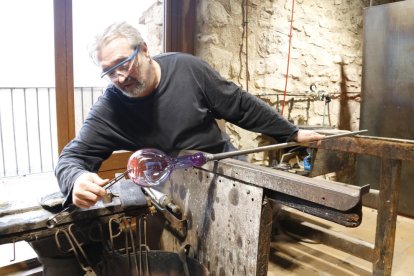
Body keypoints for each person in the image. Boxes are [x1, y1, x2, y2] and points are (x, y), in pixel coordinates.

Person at [36, 21, 325, 275]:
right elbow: (73, 156)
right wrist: (76, 178)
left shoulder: (188, 70)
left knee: (248, 240)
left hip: (221, 166)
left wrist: (292, 132)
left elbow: (239, 105)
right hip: (174, 186)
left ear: (145, 50)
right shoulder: (111, 107)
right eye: (110, 71)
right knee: (195, 251)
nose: (121, 76)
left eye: (124, 62)